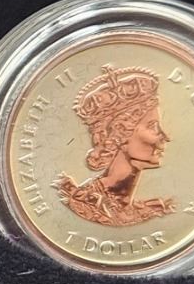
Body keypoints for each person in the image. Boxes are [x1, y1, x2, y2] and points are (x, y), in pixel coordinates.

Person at [55, 64, 176, 227]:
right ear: (120, 135)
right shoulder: (86, 204)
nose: (166, 137)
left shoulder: (140, 210)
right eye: (153, 127)